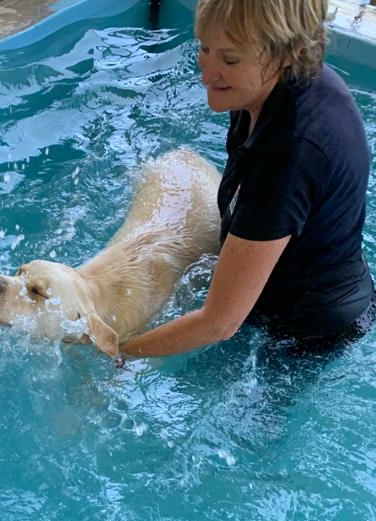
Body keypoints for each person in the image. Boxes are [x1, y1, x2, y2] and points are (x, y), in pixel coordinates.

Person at [119, 0, 375, 358]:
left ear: (289, 53)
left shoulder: (292, 149)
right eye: (205, 48)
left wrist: (119, 353)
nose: (207, 73)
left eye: (230, 60)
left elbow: (220, 323)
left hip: (306, 331)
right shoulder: (262, 90)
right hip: (272, 292)